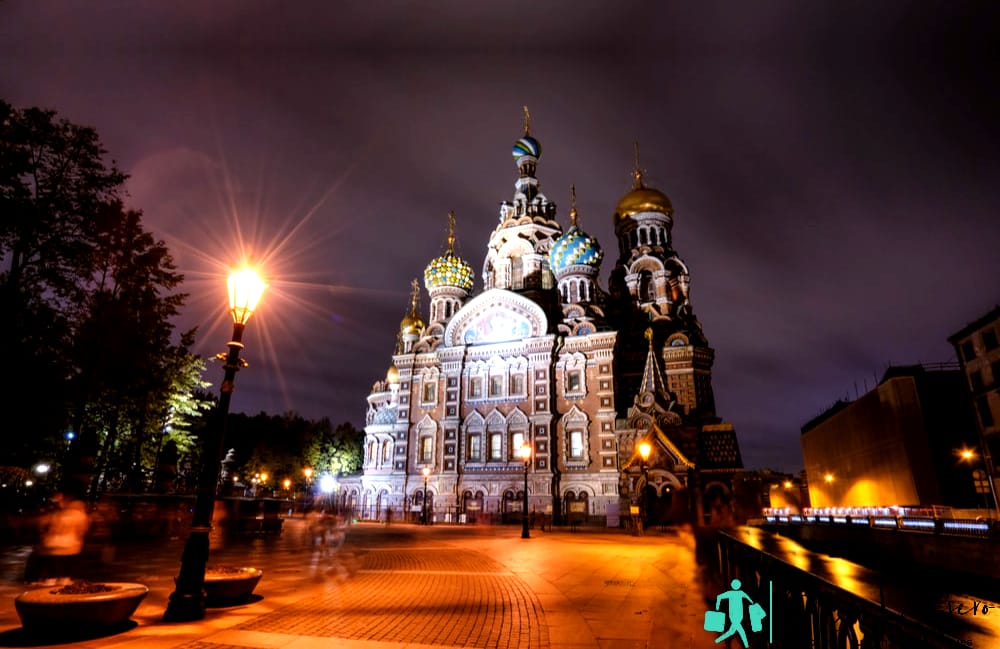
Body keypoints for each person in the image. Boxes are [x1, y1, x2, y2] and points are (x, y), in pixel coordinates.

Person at [29, 492, 90, 585]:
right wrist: (78, 540)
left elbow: (45, 525)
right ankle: (63, 581)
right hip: (71, 545)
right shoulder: (80, 515)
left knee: (53, 568)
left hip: (53, 544)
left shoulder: (57, 514)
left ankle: (50, 581)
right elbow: (82, 530)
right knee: (65, 570)